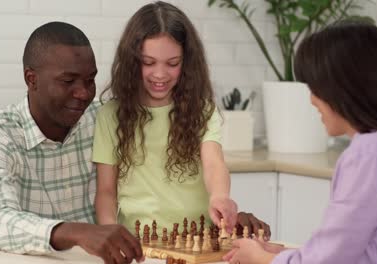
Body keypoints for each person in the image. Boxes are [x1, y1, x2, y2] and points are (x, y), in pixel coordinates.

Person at [223, 20, 377, 263]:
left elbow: (328, 259)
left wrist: (261, 258)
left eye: (315, 88)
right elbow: (365, 247)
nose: (312, 100)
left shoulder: (369, 153)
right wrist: (287, 255)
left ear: (342, 87)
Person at [0, 22, 144, 264]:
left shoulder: (101, 120)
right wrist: (77, 232)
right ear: (32, 79)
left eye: (90, 80)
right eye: (68, 81)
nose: (83, 93)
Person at [92, 1, 266, 238]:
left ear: (186, 63)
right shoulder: (111, 115)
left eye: (172, 63)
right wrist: (109, 232)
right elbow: (106, 191)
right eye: (148, 62)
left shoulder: (202, 110)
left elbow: (214, 163)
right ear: (132, 61)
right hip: (138, 240)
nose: (160, 74)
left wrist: (220, 196)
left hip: (196, 237)